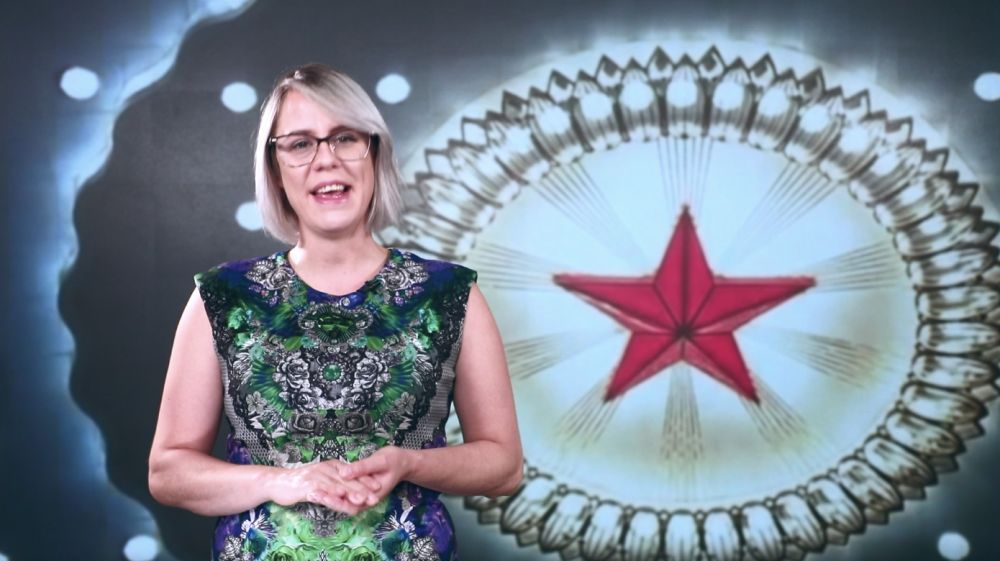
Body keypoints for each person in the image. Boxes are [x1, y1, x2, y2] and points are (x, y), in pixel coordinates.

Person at [148, 63, 523, 561]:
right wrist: (282, 481)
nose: (326, 160)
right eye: (300, 144)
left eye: (345, 138)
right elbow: (169, 472)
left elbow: (504, 466)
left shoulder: (450, 294)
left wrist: (409, 464)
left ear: (375, 153)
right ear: (275, 169)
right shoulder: (223, 297)